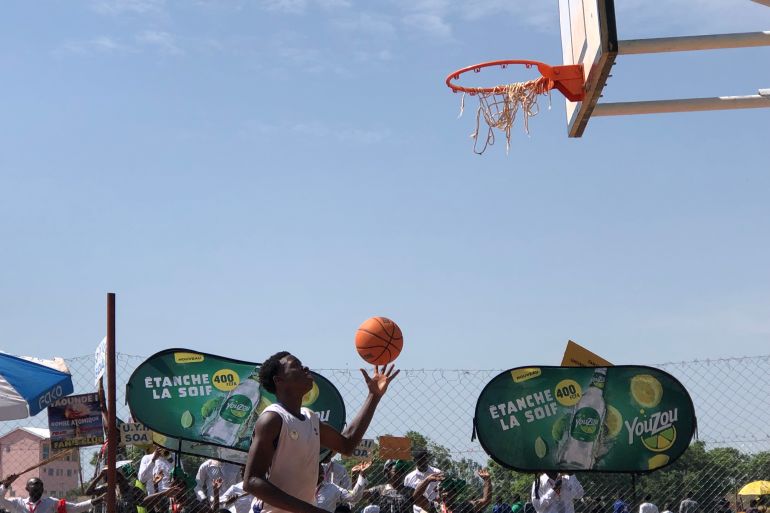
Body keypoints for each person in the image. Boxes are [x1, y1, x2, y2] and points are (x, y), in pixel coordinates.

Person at [243, 353, 398, 513]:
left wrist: (373, 396)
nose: (305, 367)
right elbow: (252, 481)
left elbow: (347, 444)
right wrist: (310, 510)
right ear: (278, 380)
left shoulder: (310, 418)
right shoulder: (272, 419)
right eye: (295, 365)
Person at [0, 475, 103, 513]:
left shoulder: (51, 502)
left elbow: (75, 508)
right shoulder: (18, 503)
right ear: (27, 488)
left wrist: (99, 499)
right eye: (35, 484)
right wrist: (5, 485)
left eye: (40, 485)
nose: (38, 487)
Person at [413, 469, 491, 513]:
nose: (446, 493)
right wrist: (428, 480)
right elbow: (416, 497)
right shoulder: (434, 507)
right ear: (439, 492)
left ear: (456, 493)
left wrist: (487, 480)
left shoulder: (464, 507)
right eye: (443, 490)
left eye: (450, 491)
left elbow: (485, 500)